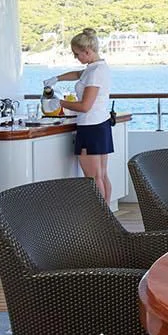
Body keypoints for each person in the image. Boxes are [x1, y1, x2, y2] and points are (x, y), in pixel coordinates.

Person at [45, 28, 115, 203]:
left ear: (87, 51)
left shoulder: (95, 73)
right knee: (101, 174)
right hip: (100, 125)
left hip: (90, 127)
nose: (76, 58)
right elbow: (78, 74)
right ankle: (106, 217)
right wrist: (57, 78)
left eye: (77, 54)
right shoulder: (96, 67)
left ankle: (99, 218)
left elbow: (84, 106)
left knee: (93, 178)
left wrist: (58, 102)